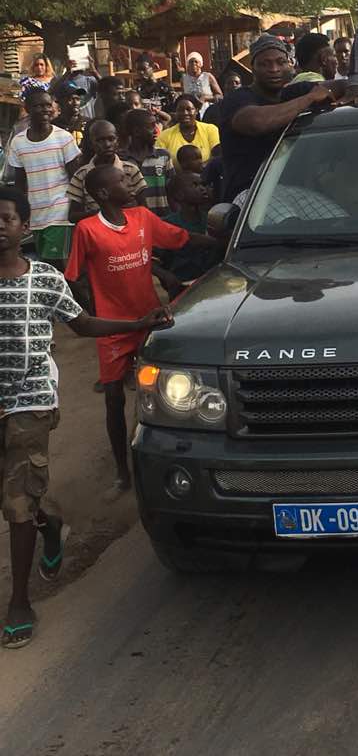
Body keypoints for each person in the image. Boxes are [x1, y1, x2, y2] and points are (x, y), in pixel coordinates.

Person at [0, 186, 170, 649]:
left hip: (28, 403)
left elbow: (83, 324)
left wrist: (137, 325)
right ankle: (49, 523)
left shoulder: (46, 280)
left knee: (16, 500)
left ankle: (19, 602)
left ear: (25, 228)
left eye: (6, 218)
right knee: (17, 499)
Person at [65, 164, 211, 496]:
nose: (129, 182)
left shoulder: (143, 219)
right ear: (103, 193)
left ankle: (174, 460)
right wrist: (93, 314)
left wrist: (227, 242)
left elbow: (182, 239)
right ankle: (121, 472)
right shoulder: (87, 230)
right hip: (114, 329)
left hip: (151, 320)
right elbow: (73, 277)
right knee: (113, 398)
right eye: (120, 180)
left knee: (168, 388)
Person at [219, 34, 333, 203]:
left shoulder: (292, 92)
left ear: (290, 64)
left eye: (280, 62)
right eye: (265, 64)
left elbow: (333, 87)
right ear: (253, 68)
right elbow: (257, 123)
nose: (274, 69)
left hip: (295, 190)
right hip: (250, 193)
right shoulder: (237, 99)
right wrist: (309, 99)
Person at [8, 90, 82, 266]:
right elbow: (20, 183)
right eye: (39, 106)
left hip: (60, 213)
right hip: (36, 216)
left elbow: (76, 178)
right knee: (47, 265)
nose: (45, 109)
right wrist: (20, 213)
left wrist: (77, 210)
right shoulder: (18, 142)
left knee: (57, 266)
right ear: (27, 109)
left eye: (48, 105)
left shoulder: (63, 138)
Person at [67, 120, 147, 223]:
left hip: (130, 229)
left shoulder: (131, 170)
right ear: (91, 144)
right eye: (100, 140)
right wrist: (105, 212)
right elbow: (73, 216)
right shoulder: (81, 175)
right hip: (98, 233)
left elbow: (143, 208)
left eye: (111, 139)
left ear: (117, 141)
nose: (107, 144)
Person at [159, 171, 220, 284]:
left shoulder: (213, 219)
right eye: (195, 185)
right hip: (182, 285)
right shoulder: (168, 224)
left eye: (202, 184)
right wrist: (167, 277)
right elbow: (154, 260)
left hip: (211, 283)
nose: (202, 188)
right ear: (179, 195)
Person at [118, 109, 173, 218]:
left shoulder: (163, 156)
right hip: (133, 220)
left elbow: (171, 190)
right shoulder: (120, 160)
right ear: (137, 132)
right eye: (151, 127)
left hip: (162, 218)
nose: (156, 131)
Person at [158, 96, 220, 169]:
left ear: (196, 111)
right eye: (180, 110)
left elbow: (218, 156)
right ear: (176, 112)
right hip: (177, 179)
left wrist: (200, 169)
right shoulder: (164, 136)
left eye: (189, 109)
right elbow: (160, 163)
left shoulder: (210, 129)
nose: (185, 113)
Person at [52, 82, 87, 146]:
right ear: (60, 102)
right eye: (71, 99)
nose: (76, 103)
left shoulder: (88, 124)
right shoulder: (53, 127)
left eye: (78, 99)